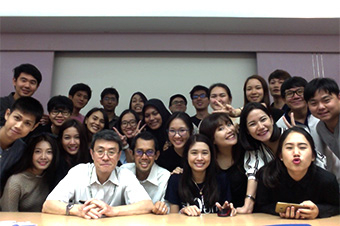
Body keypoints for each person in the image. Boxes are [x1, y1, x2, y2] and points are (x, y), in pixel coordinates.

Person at [42, 130, 153, 219]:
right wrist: (78, 210)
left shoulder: (125, 175)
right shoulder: (78, 172)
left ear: (119, 155)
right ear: (92, 154)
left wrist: (113, 211)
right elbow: (48, 205)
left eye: (111, 152)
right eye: (100, 151)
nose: (105, 157)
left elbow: (147, 205)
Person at [256, 127, 339, 219]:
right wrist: (280, 211)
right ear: (280, 156)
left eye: (302, 147)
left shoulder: (327, 180)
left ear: (313, 156)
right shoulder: (267, 176)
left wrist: (318, 210)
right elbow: (260, 206)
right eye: (289, 148)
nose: (296, 153)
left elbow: (337, 206)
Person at [165, 134, 237, 216]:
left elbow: (227, 208)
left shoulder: (221, 179)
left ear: (211, 155)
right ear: (186, 156)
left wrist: (228, 211)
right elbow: (173, 218)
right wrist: (183, 212)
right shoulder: (176, 180)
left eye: (205, 153)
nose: (199, 158)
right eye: (194, 153)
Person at [238, 102, 282, 213]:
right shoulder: (255, 149)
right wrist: (248, 205)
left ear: (271, 120)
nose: (260, 127)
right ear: (247, 131)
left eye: (263, 120)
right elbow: (253, 174)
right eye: (252, 124)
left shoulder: (290, 137)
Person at [276, 77, 326, 168]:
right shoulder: (280, 125)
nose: (295, 96)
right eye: (290, 93)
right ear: (284, 99)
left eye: (300, 92)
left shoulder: (320, 115)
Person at [199, 113, 247, 208]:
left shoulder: (246, 152)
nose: (229, 130)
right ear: (212, 139)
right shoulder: (207, 162)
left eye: (229, 124)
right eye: (221, 129)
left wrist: (238, 111)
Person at [0, 133, 59, 211]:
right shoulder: (15, 181)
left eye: (49, 152)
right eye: (38, 151)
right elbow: (8, 215)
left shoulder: (49, 177)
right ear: (30, 153)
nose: (43, 157)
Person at [121, 131, 170, 215]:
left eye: (149, 152)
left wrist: (161, 208)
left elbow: (167, 212)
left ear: (156, 155)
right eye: (139, 152)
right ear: (131, 154)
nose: (144, 157)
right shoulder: (124, 171)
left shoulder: (165, 177)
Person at [304, 77, 340, 188]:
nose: (321, 107)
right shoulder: (320, 127)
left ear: (339, 98)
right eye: (313, 103)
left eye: (326, 100)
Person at [0, 97, 43, 188]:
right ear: (7, 114)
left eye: (27, 123)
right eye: (17, 118)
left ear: (34, 127)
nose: (19, 126)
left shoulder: (21, 151)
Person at [53, 119, 90, 188]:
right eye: (67, 138)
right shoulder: (55, 160)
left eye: (77, 137)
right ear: (61, 139)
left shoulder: (91, 159)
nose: (72, 142)